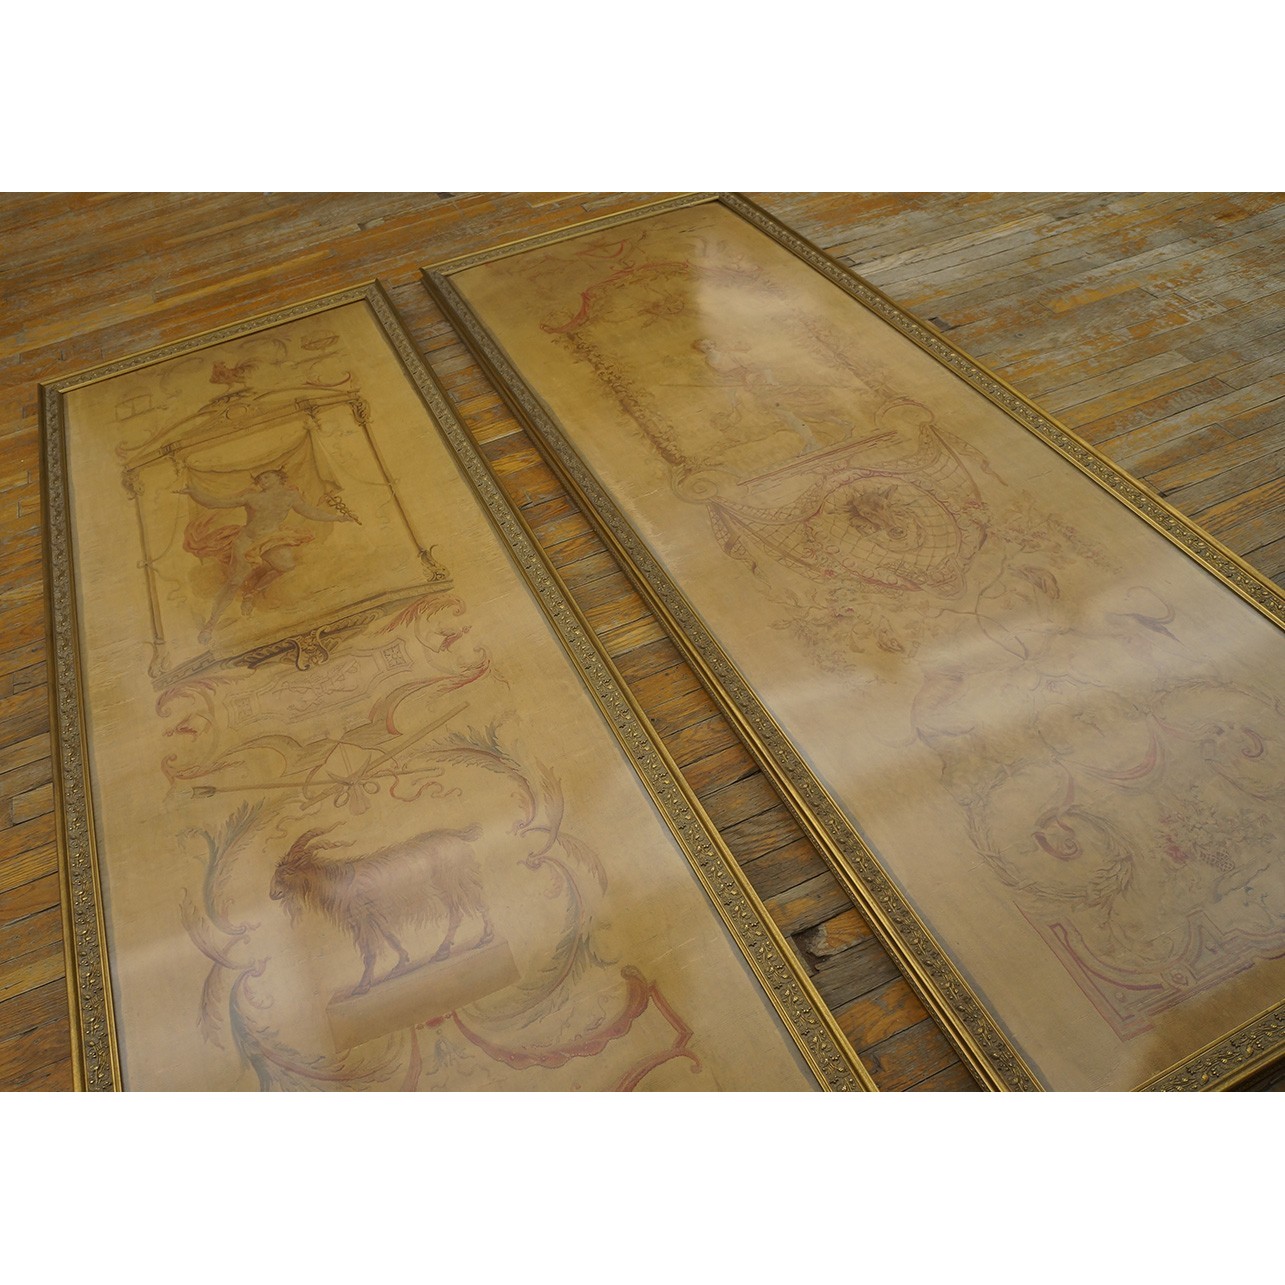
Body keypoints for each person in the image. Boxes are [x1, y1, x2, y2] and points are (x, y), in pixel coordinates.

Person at [177, 467, 356, 644]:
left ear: (279, 477)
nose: (262, 481)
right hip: (247, 541)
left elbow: (310, 512)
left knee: (287, 566)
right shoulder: (252, 497)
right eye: (260, 479)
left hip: (270, 538)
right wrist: (195, 493)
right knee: (234, 581)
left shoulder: (290, 496)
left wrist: (337, 518)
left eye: (266, 477)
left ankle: (251, 593)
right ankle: (210, 625)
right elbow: (216, 503)